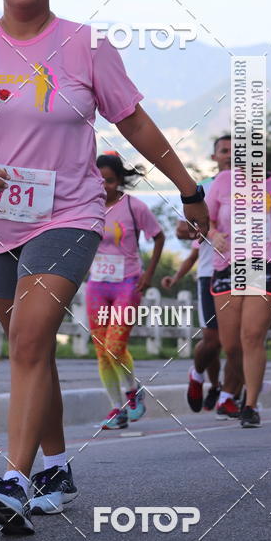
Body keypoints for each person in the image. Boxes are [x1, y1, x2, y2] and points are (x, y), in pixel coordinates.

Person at [0, 0, 209, 535]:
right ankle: (57, 469)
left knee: (33, 338)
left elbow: (135, 124)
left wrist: (189, 189)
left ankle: (12, 480)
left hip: (69, 212)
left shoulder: (86, 46)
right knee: (27, 347)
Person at [208, 166, 271, 427]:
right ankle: (247, 386)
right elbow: (206, 220)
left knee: (251, 336)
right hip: (228, 266)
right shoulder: (223, 181)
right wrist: (214, 235)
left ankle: (250, 405)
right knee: (231, 345)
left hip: (264, 265)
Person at [86, 152, 164, 429]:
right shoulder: (86, 206)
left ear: (119, 180)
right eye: (98, 180)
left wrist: (148, 275)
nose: (103, 185)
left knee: (115, 346)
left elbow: (158, 236)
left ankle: (133, 391)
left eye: (108, 180)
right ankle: (115, 408)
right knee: (101, 350)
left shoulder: (135, 207)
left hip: (128, 282)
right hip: (97, 284)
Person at [167, 135, 243, 413]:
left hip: (250, 271)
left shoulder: (257, 188)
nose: (230, 156)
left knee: (243, 339)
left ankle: (230, 396)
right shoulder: (205, 188)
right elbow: (180, 230)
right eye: (224, 151)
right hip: (213, 271)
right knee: (214, 339)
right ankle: (198, 375)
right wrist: (209, 231)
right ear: (215, 157)